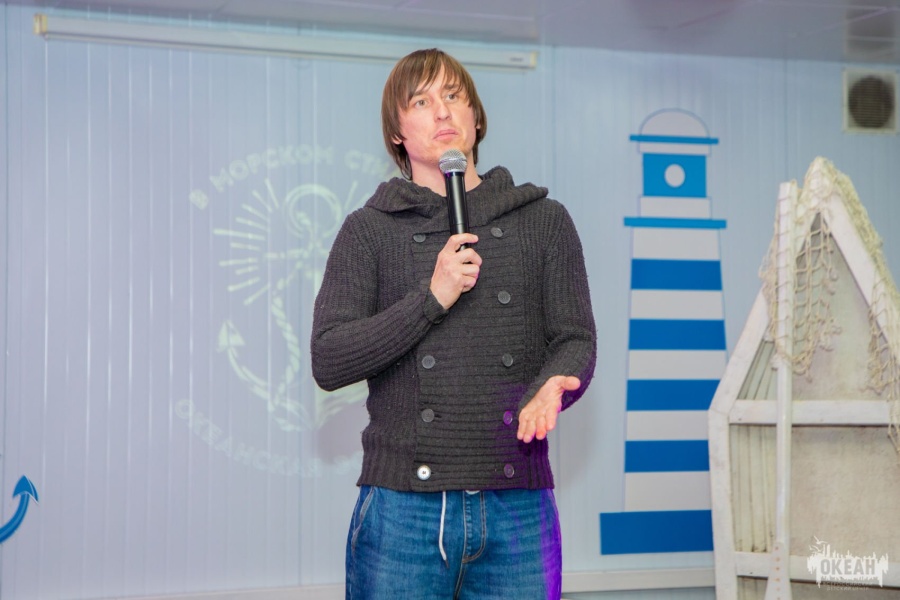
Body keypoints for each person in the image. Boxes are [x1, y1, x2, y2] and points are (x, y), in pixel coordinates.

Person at [311, 48, 596, 599]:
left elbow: (575, 338)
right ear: (397, 133)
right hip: (402, 510)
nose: (442, 111)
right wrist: (431, 298)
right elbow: (330, 357)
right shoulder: (369, 230)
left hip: (518, 505)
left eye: (453, 96)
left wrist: (555, 385)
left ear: (476, 118)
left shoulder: (544, 220)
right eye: (421, 101)